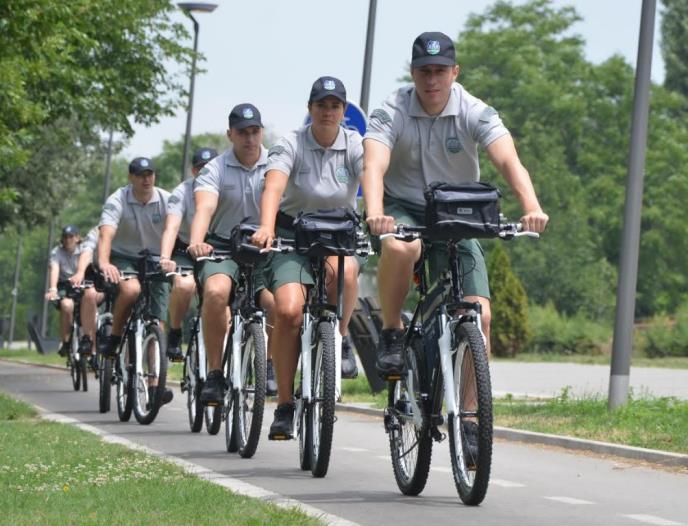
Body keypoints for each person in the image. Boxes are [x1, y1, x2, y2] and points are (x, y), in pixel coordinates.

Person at [361, 31, 549, 379]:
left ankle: (472, 420)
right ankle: (391, 333)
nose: (432, 79)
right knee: (403, 250)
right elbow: (373, 164)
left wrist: (531, 206)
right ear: (413, 73)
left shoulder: (473, 110)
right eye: (424, 71)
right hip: (401, 206)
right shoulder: (392, 108)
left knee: (481, 315)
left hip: (455, 211)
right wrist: (375, 212)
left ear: (455, 72)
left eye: (440, 70)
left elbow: (509, 160)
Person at [252, 77, 364, 439]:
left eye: (335, 106)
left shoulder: (355, 145)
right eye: (321, 105)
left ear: (344, 112)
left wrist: (382, 214)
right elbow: (273, 185)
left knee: (345, 277)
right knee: (287, 311)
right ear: (310, 109)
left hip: (336, 234)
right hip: (292, 235)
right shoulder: (291, 143)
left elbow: (376, 178)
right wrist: (266, 226)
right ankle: (285, 404)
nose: (328, 112)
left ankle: (338, 340)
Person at [187, 104, 275, 405]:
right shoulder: (215, 169)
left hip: (265, 248)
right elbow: (204, 208)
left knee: (280, 304)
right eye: (242, 132)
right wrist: (197, 240)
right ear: (230, 134)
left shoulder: (277, 164)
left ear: (261, 132)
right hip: (223, 246)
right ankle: (214, 373)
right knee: (215, 292)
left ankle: (271, 365)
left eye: (255, 131)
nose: (250, 139)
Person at [97, 157, 173, 405]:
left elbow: (174, 229)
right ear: (131, 178)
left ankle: (154, 386)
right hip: (124, 257)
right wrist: (105, 262)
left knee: (157, 322)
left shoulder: (165, 199)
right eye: (141, 175)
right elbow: (106, 234)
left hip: (156, 259)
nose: (146, 179)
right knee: (130, 290)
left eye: (150, 174)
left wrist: (169, 258)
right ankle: (116, 336)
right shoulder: (118, 199)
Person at [160, 147, 218, 362]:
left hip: (218, 249)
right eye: (201, 168)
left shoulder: (226, 188)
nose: (206, 172)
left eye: (210, 167)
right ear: (194, 171)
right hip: (186, 249)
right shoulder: (181, 192)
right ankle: (174, 333)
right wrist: (165, 258)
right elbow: (171, 228)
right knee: (184, 286)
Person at [45, 225, 97, 357]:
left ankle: (91, 343)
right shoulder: (57, 252)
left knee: (92, 299)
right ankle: (66, 342)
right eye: (65, 237)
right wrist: (53, 289)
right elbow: (54, 268)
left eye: (71, 236)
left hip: (83, 283)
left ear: (77, 238)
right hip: (65, 285)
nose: (68, 240)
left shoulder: (84, 249)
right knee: (67, 305)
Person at [68, 226, 106, 359]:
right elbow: (87, 252)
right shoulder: (96, 232)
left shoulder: (131, 229)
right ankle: (88, 339)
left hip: (120, 273)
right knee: (89, 294)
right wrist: (80, 273)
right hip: (95, 272)